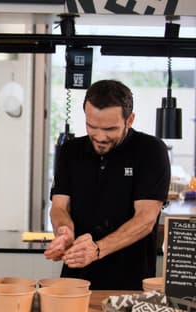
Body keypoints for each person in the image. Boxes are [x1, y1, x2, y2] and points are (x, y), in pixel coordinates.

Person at [44, 80, 170, 290]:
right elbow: (59, 207)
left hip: (130, 283)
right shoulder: (70, 151)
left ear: (129, 120)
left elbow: (146, 219)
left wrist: (97, 249)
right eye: (92, 127)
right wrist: (64, 231)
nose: (100, 137)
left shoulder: (150, 151)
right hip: (75, 280)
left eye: (110, 129)